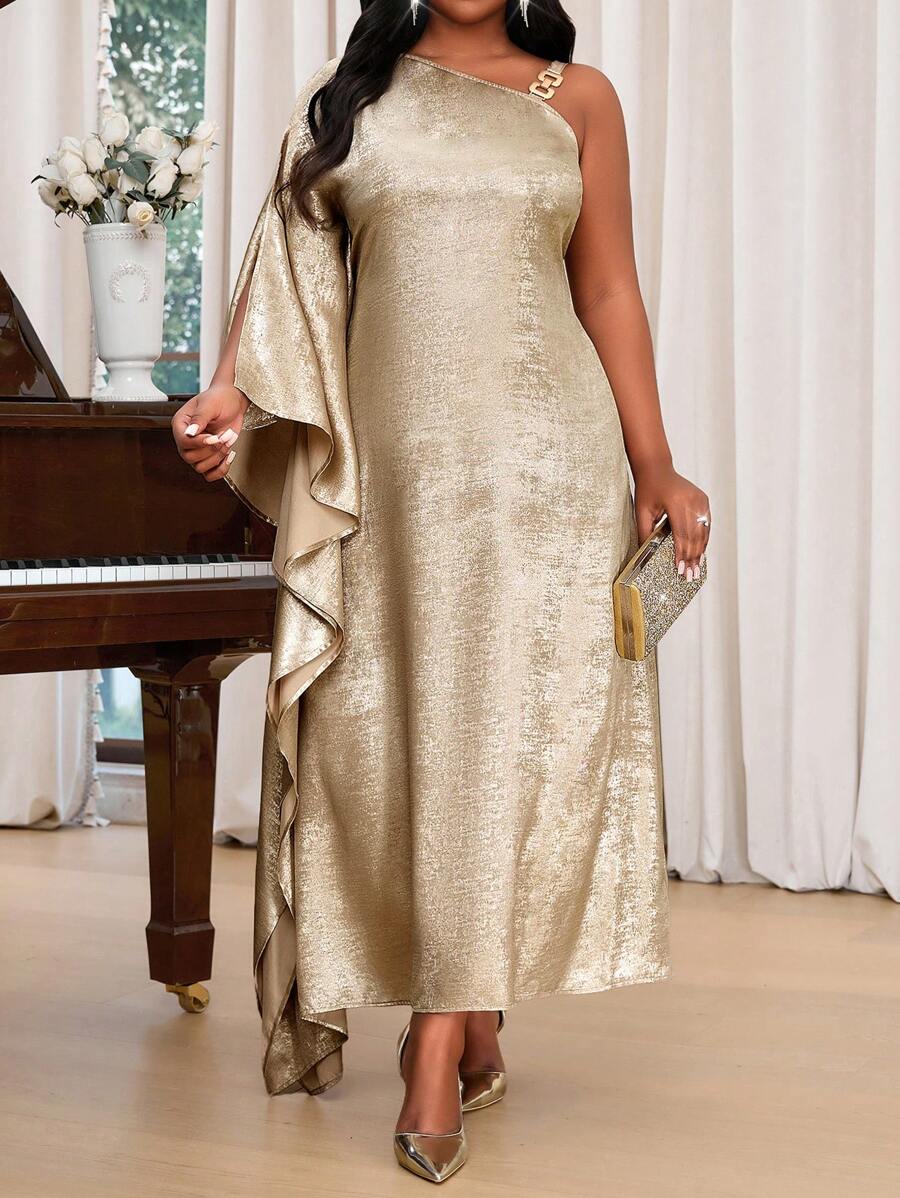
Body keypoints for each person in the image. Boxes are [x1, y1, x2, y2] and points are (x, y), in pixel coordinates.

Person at [172, 0, 710, 1184]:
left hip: (546, 473)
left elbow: (607, 291)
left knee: (504, 744)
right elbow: (288, 282)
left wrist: (655, 463)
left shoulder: (576, 98)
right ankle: (473, 1014)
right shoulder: (345, 101)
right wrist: (229, 397)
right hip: (391, 484)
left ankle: (433, 1039)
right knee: (394, 748)